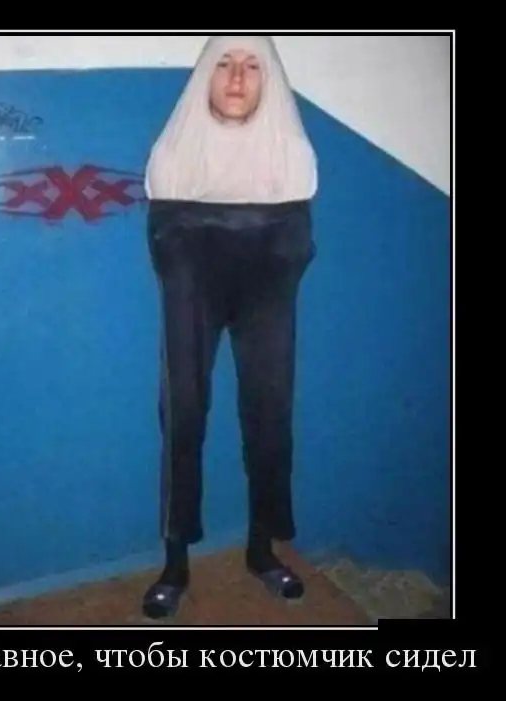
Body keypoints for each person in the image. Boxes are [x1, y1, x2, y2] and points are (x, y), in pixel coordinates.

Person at [142, 35, 319, 620]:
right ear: (205, 77)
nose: (238, 77)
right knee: (183, 411)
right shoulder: (173, 156)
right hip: (193, 282)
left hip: (268, 285)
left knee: (271, 412)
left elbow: (296, 244)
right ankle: (175, 562)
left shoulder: (292, 157)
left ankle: (262, 550)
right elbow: (166, 244)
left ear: (270, 79)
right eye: (223, 63)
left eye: (251, 65)